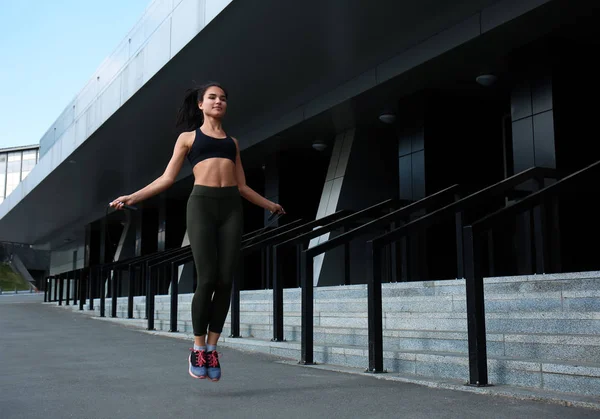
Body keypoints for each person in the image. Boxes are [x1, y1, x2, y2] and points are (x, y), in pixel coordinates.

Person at [109, 82, 285, 382]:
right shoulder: (188, 138)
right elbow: (166, 179)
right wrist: (133, 197)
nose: (219, 102)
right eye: (212, 97)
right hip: (201, 205)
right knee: (207, 277)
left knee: (226, 279)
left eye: (223, 98)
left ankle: (213, 348)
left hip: (231, 208)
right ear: (201, 104)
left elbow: (242, 186)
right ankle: (197, 346)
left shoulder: (233, 142)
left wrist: (269, 204)